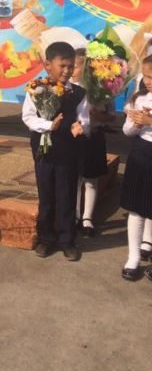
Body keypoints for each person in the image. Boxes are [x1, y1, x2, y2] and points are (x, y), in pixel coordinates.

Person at [22, 41, 89, 261]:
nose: (67, 71)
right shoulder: (36, 89)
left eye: (71, 66)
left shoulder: (78, 93)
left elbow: (84, 117)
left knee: (67, 194)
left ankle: (67, 240)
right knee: (46, 194)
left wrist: (80, 125)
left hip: (68, 151)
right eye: (62, 66)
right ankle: (46, 238)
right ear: (48, 65)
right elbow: (28, 117)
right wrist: (49, 125)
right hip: (44, 150)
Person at [72, 48, 112, 237]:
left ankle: (87, 218)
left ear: (87, 68)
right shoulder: (66, 88)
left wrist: (98, 115)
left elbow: (111, 116)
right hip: (74, 138)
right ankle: (74, 215)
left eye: (76, 66)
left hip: (94, 137)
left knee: (91, 179)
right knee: (74, 179)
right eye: (70, 65)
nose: (71, 70)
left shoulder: (100, 90)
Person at [120, 55, 152, 281]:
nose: (148, 81)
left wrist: (149, 121)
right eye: (146, 76)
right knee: (136, 208)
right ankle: (133, 257)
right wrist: (136, 123)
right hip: (141, 154)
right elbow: (127, 131)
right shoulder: (139, 99)